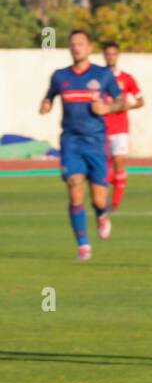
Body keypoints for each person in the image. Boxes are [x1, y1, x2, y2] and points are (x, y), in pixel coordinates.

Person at [39, 29, 124, 260]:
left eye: (81, 44)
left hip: (96, 142)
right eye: (73, 44)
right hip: (71, 142)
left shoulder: (103, 75)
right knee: (75, 187)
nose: (76, 47)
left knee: (98, 198)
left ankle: (102, 214)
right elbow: (50, 96)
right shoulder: (60, 76)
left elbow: (120, 101)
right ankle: (83, 245)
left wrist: (107, 108)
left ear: (89, 48)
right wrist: (46, 104)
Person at [101, 41, 144, 211]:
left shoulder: (126, 78)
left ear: (117, 56)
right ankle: (106, 194)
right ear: (104, 55)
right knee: (104, 166)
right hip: (102, 127)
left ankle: (115, 202)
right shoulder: (99, 77)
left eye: (114, 54)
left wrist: (129, 106)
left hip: (120, 128)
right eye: (108, 54)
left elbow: (141, 101)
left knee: (119, 162)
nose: (111, 57)